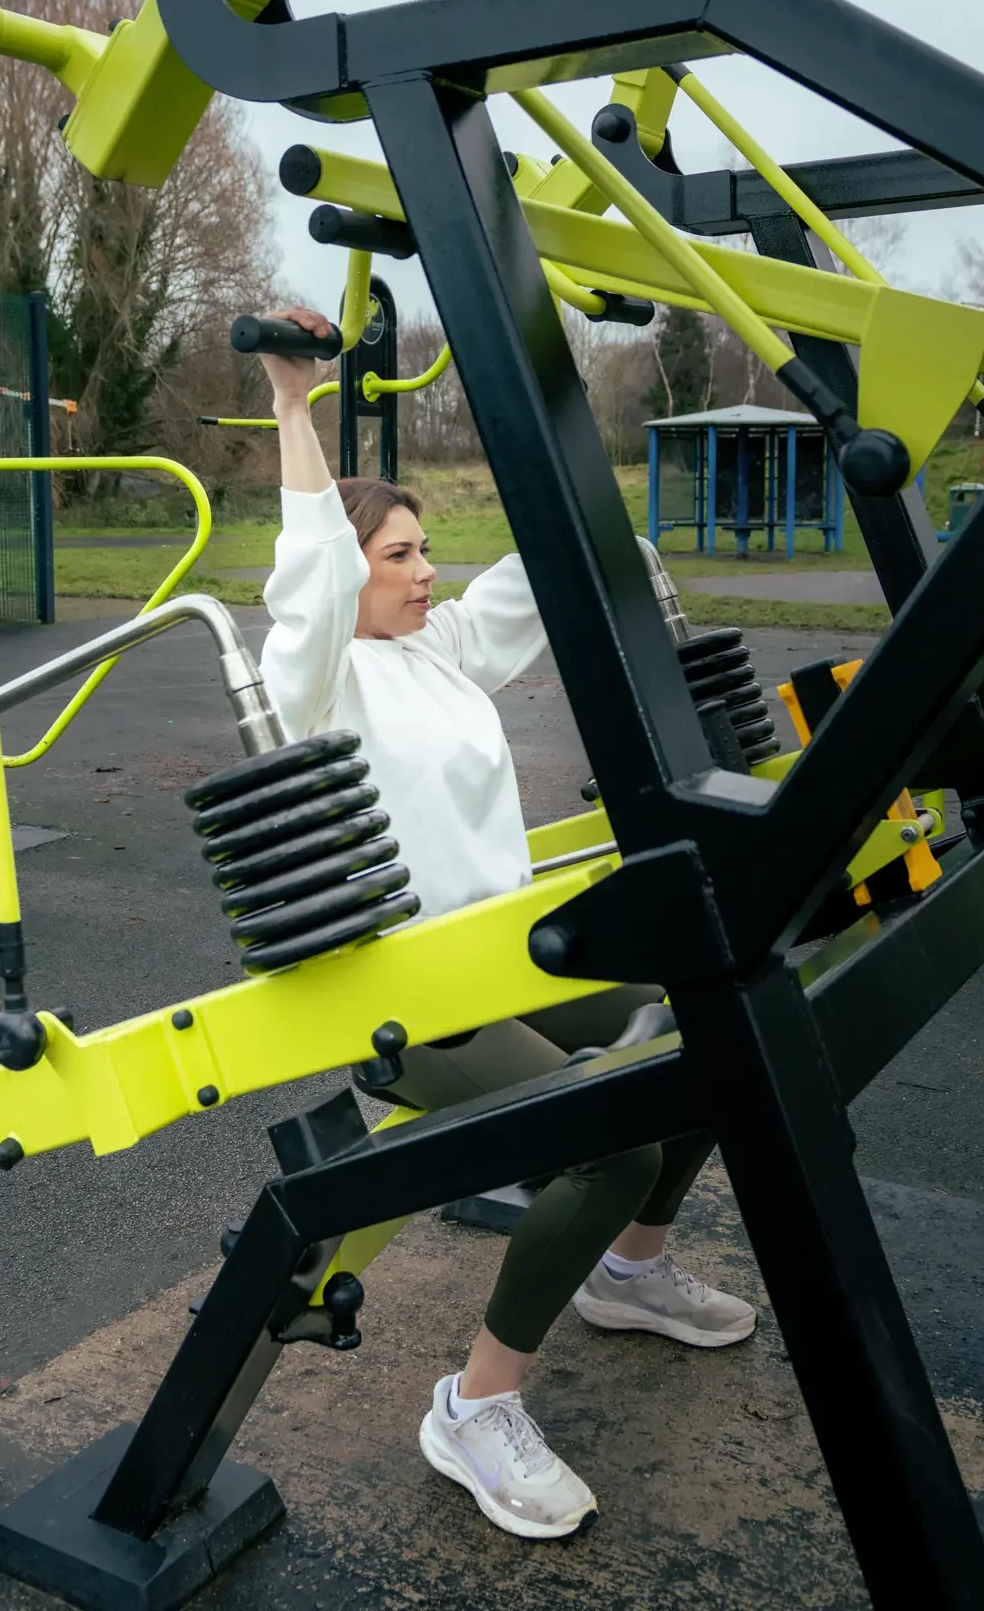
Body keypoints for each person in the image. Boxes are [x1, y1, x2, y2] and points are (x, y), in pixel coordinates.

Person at [256, 306, 755, 1542]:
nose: (427, 572)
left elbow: (534, 564)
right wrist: (290, 397)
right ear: (351, 571)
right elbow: (312, 564)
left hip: (497, 962)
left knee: (709, 1029)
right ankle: (475, 1404)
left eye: (428, 550)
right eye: (402, 555)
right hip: (405, 1000)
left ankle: (627, 1269)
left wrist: (561, 378)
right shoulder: (314, 676)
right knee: (608, 1141)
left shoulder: (436, 653)